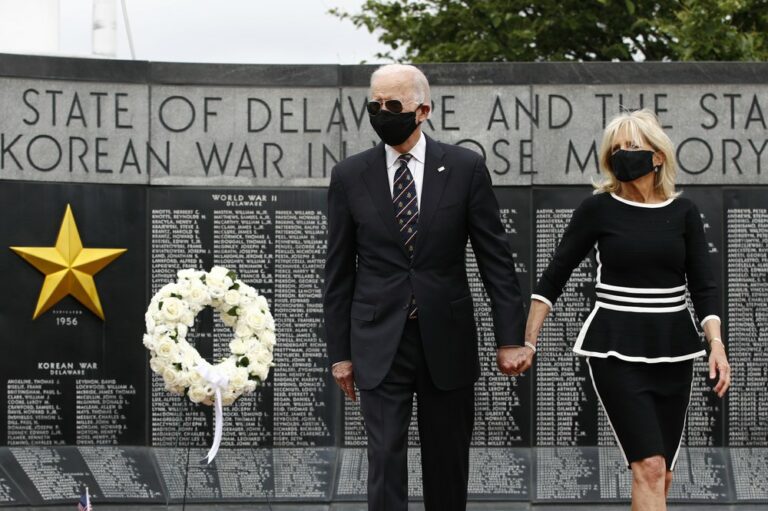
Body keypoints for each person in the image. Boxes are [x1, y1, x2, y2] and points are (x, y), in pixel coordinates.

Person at [322, 64, 528, 511]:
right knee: (384, 463)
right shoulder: (350, 175)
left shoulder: (465, 168)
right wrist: (340, 353)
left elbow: (496, 260)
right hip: (378, 343)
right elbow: (337, 272)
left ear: (423, 111)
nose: (382, 113)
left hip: (446, 340)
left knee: (447, 464)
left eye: (393, 104)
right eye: (374, 104)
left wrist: (511, 338)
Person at [518, 109, 731, 510]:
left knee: (663, 473)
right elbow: (554, 275)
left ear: (658, 156)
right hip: (615, 350)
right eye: (615, 149)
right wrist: (528, 341)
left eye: (632, 146)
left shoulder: (684, 213)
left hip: (675, 352)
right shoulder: (598, 209)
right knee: (649, 466)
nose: (622, 155)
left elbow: (704, 286)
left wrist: (716, 344)